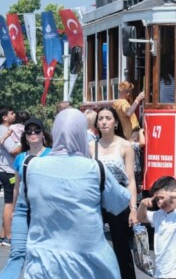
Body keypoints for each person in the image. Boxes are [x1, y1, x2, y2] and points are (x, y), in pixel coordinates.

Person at [0, 108, 130, 278]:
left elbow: (23, 208)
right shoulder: (96, 169)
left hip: (43, 265)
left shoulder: (31, 167)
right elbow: (119, 203)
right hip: (89, 266)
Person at [91, 106, 139, 279]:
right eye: (101, 118)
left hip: (118, 199)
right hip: (96, 198)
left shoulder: (125, 146)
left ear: (116, 122)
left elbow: (131, 180)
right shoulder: (91, 146)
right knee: (93, 244)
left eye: (108, 118)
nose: (104, 122)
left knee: (121, 245)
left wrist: (133, 208)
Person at [138, 176, 176, 279]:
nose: (160, 202)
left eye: (162, 198)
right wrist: (143, 205)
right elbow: (140, 217)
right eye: (157, 200)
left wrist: (171, 195)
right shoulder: (158, 215)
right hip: (161, 272)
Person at [11, 118, 51, 204]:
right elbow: (16, 186)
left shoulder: (53, 154)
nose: (33, 133)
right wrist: (13, 209)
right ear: (25, 136)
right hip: (24, 205)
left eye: (37, 130)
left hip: (46, 204)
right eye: (29, 131)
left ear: (43, 134)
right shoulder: (20, 158)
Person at [0, 107, 19, 247]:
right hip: (8, 171)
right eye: (11, 113)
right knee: (9, 203)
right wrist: (25, 145)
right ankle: (8, 236)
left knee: (9, 202)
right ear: (4, 117)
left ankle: (2, 235)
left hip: (7, 169)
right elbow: (13, 150)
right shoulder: (3, 130)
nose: (14, 115)